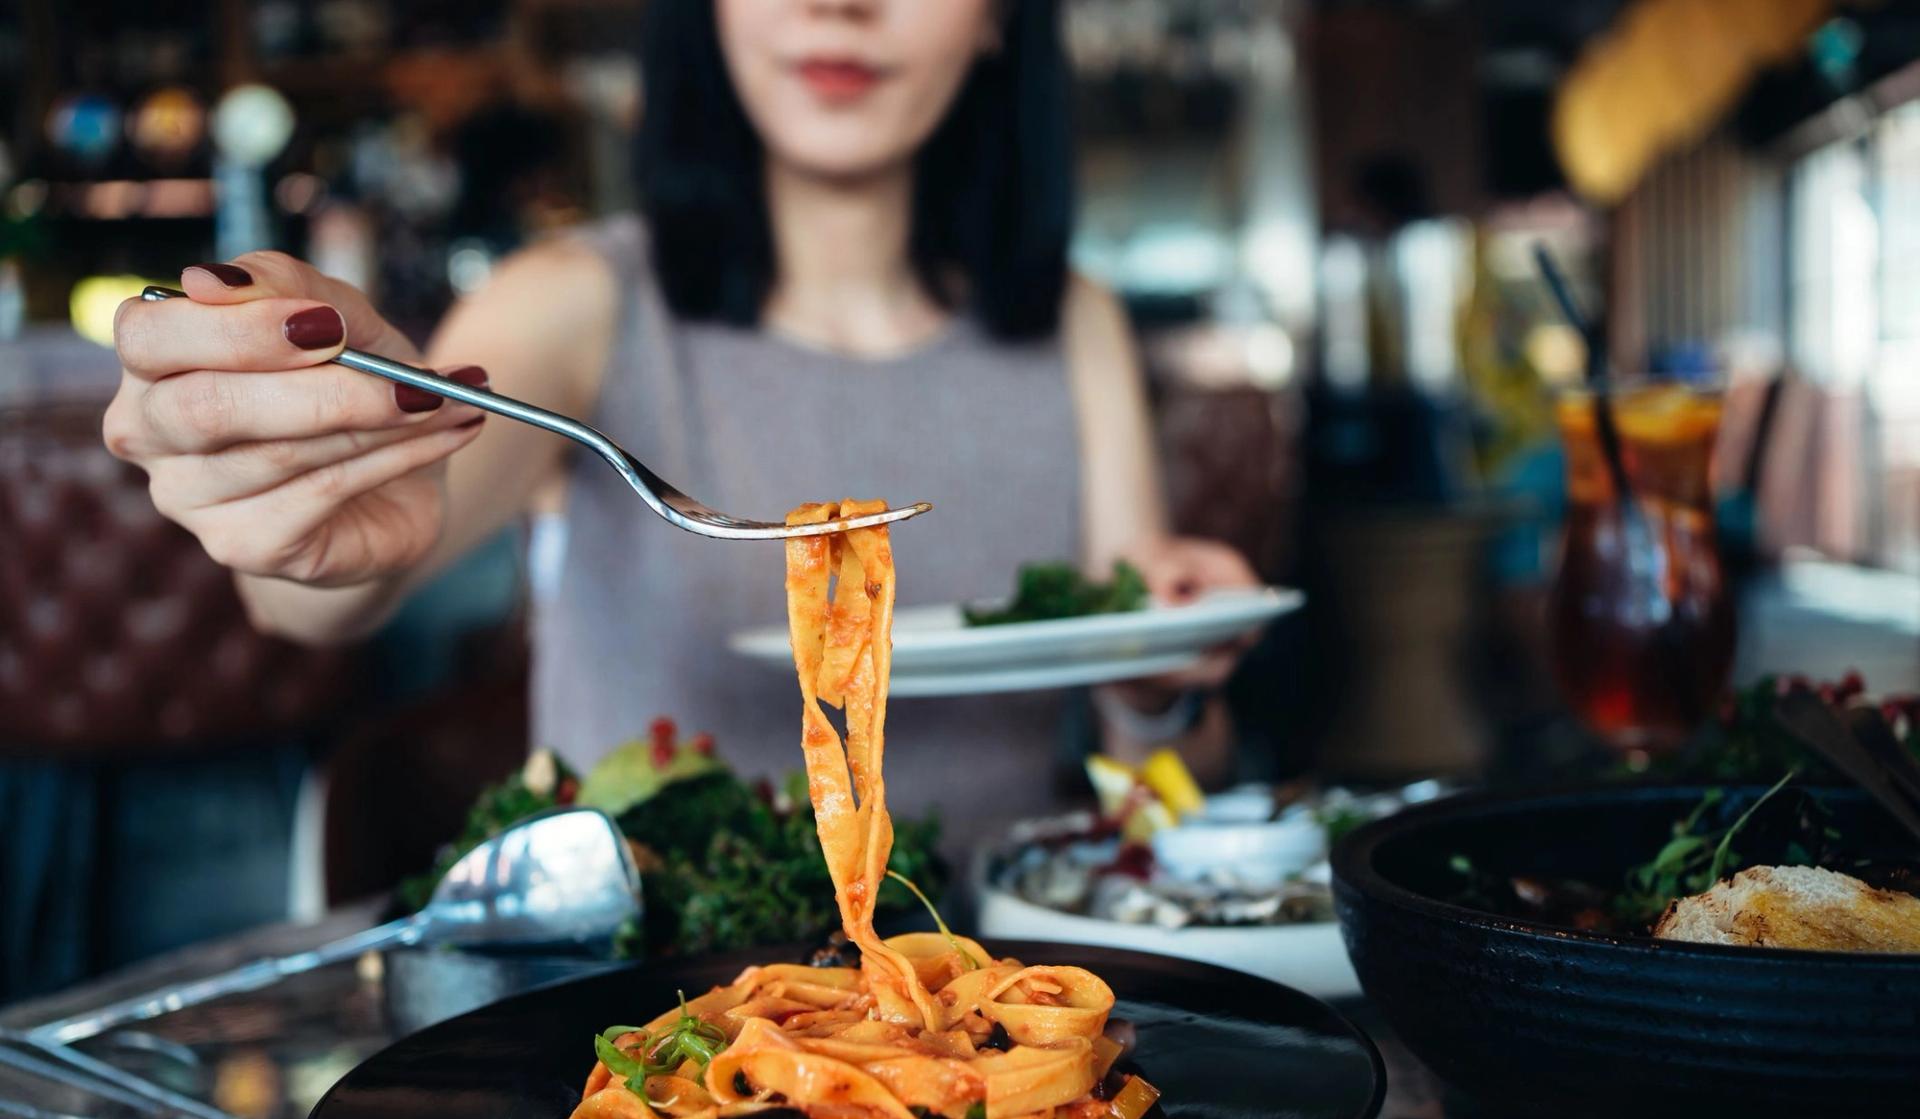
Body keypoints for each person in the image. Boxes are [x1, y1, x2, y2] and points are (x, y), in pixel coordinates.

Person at [103, 0, 1259, 846]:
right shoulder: (575, 303)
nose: (838, 7)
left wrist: (1166, 685)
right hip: (654, 1034)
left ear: (1001, 17)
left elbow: (1160, 796)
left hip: (991, 1015)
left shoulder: (1074, 325)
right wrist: (309, 507)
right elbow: (324, 584)